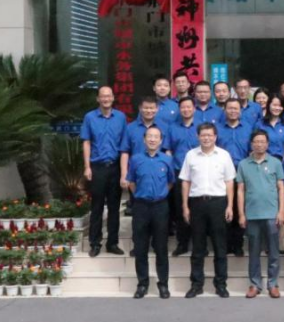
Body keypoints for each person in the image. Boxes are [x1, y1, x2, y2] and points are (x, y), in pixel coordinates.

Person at [180, 123, 236, 298]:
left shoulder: (224, 155)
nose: (206, 138)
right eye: (203, 135)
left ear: (215, 137)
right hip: (197, 203)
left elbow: (229, 182)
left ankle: (221, 284)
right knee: (198, 247)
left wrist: (230, 205)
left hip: (218, 203)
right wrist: (185, 206)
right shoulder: (191, 155)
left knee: (220, 246)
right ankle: (196, 284)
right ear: (198, 137)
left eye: (209, 135)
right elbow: (186, 182)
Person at [236, 130, 284, 299]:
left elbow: (281, 188)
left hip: (272, 214)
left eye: (262, 141)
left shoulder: (275, 163)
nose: (259, 144)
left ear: (267, 144)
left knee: (273, 251)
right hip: (252, 215)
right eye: (256, 141)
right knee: (254, 252)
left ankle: (273, 284)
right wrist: (241, 214)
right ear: (251, 144)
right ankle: (255, 284)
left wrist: (281, 210)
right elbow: (240, 190)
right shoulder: (243, 164)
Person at [128, 126, 175, 299]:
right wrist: (141, 196)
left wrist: (160, 194)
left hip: (160, 207)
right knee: (140, 248)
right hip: (141, 207)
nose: (152, 139)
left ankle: (163, 284)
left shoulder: (167, 160)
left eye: (156, 137)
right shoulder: (135, 159)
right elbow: (131, 182)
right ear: (144, 139)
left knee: (161, 247)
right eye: (149, 136)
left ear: (161, 141)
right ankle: (142, 284)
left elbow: (170, 182)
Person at [80, 86, 127, 258]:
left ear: (113, 98)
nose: (106, 99)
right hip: (97, 167)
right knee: (97, 206)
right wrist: (87, 166)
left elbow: (124, 145)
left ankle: (112, 243)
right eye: (103, 96)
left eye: (109, 96)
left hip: (115, 167)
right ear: (98, 99)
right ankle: (95, 243)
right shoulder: (90, 117)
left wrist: (124, 171)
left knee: (115, 207)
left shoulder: (121, 117)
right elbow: (86, 142)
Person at [120, 97, 169, 228]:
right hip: (137, 177)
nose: (149, 111)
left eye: (152, 108)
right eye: (146, 108)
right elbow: (125, 151)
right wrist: (124, 175)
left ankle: (157, 239)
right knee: (139, 215)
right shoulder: (130, 128)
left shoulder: (164, 127)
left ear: (157, 109)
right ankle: (139, 239)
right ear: (140, 109)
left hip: (158, 177)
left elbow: (167, 151)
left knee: (159, 217)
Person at [216, 99, 254, 257]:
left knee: (240, 207)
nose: (233, 111)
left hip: (242, 169)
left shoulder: (249, 128)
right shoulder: (217, 129)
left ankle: (238, 244)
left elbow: (252, 151)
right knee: (223, 206)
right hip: (220, 172)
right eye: (230, 108)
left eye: (236, 108)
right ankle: (225, 245)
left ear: (240, 111)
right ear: (224, 110)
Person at [168, 97, 199, 256]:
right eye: (183, 107)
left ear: (194, 108)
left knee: (198, 210)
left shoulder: (201, 127)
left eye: (189, 107)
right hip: (179, 172)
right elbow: (168, 150)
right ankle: (182, 243)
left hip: (199, 174)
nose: (186, 110)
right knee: (181, 209)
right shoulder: (172, 127)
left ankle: (199, 244)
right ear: (179, 110)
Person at [256, 93, 284, 159]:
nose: (277, 108)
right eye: (274, 105)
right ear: (268, 105)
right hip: (264, 160)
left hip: (282, 160)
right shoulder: (260, 124)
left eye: (280, 106)